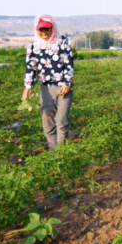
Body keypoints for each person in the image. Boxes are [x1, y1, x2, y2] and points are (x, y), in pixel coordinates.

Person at [22, 14, 75, 149]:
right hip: (46, 88)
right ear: (36, 30)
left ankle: (62, 152)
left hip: (63, 87)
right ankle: (53, 152)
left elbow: (69, 65)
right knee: (47, 122)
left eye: (47, 29)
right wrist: (28, 86)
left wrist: (67, 84)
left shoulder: (63, 43)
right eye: (41, 30)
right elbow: (31, 67)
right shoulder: (34, 47)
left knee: (61, 120)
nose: (44, 33)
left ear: (53, 28)